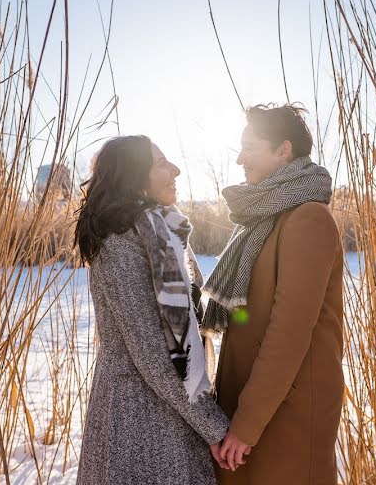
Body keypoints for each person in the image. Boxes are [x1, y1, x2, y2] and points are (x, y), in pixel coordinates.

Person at [75, 135, 230, 485]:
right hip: (137, 418)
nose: (174, 169)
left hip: (172, 413)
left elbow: (195, 313)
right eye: (161, 163)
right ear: (134, 176)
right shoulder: (120, 243)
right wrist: (213, 425)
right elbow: (151, 352)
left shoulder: (165, 233)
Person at [203, 104, 344, 484]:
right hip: (252, 409)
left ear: (283, 150)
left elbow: (289, 334)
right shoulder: (262, 220)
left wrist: (246, 426)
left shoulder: (308, 219)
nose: (239, 158)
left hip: (286, 413)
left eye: (250, 146)